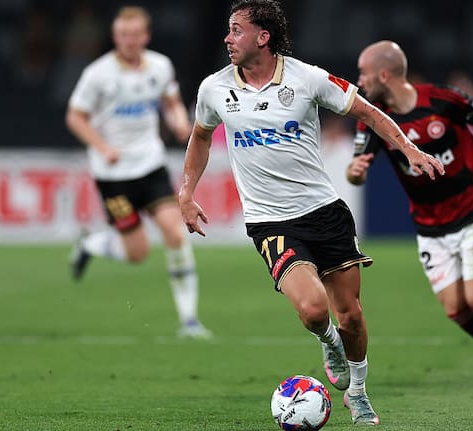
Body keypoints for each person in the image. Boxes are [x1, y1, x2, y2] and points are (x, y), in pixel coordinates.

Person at [178, 0, 444, 425]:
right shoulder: (214, 89)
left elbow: (369, 112)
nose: (227, 38)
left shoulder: (307, 78)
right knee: (315, 311)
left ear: (263, 37)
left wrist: (409, 148)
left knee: (351, 315)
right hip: (269, 221)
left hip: (324, 212)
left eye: (236, 30)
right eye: (228, 30)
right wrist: (186, 192)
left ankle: (357, 390)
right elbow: (200, 137)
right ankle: (327, 341)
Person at [347, 40, 473, 392]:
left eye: (363, 72)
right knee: (457, 309)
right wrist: (357, 171)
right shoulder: (374, 117)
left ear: (384, 73)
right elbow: (356, 171)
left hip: (471, 211)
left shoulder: (444, 99)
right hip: (429, 225)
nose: (359, 79)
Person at [66, 6, 211, 339]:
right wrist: (103, 148)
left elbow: (170, 100)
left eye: (135, 35)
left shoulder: (160, 66)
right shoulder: (97, 74)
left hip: (150, 165)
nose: (129, 41)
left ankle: (189, 321)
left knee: (175, 234)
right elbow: (75, 117)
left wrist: (176, 120)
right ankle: (90, 244)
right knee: (138, 253)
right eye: (122, 35)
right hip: (112, 175)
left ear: (145, 36)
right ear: (115, 37)